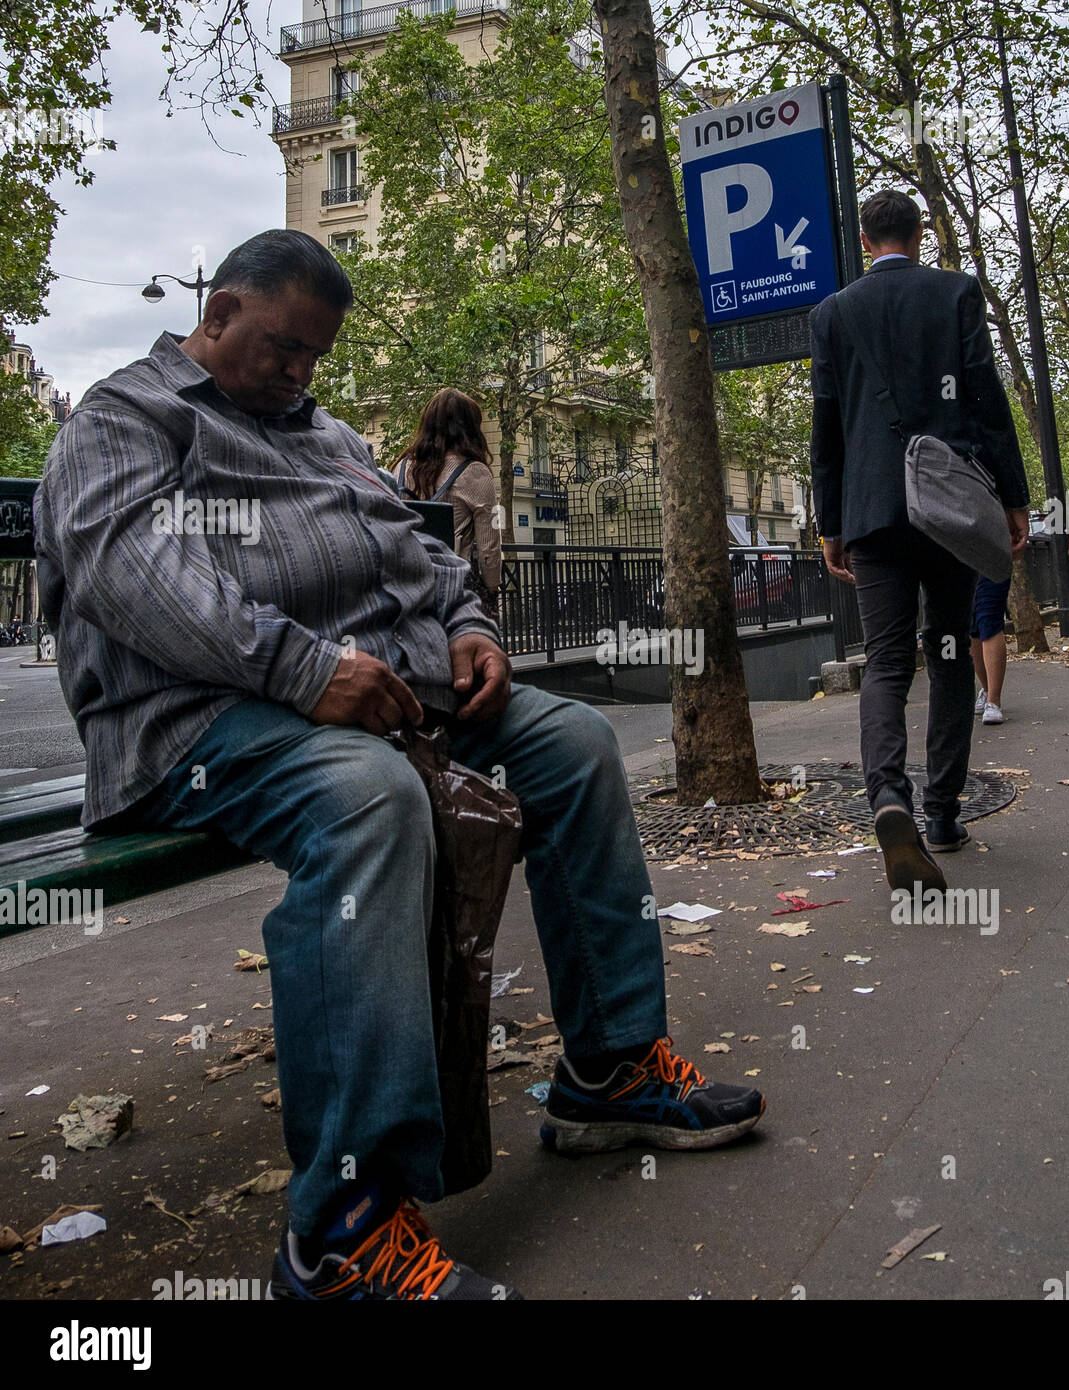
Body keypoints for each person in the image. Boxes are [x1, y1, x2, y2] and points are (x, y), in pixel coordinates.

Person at [33, 229, 764, 1301]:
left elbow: (422, 552)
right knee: (369, 801)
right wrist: (302, 669)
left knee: (573, 743)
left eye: (314, 356)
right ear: (219, 311)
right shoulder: (126, 417)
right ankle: (342, 1230)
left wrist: (472, 626)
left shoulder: (325, 436)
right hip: (196, 724)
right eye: (281, 345)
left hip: (378, 700)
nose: (297, 371)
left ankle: (607, 1069)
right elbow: (133, 579)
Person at [811, 189, 1030, 893]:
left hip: (871, 508)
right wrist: (1015, 497)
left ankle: (888, 798)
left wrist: (831, 524)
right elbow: (985, 399)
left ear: (867, 240)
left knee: (885, 662)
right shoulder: (957, 293)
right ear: (920, 232)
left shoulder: (832, 314)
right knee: (948, 651)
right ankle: (941, 813)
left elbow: (828, 428)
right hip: (947, 506)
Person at [390, 388, 502, 622]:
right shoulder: (476, 473)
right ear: (471, 428)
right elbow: (489, 549)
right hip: (453, 587)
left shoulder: (399, 468)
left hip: (405, 586)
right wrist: (492, 589)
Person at [970, 574, 1010, 725]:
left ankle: (993, 700)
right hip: (961, 559)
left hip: (992, 558)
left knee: (989, 617)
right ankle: (987, 692)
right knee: (972, 625)